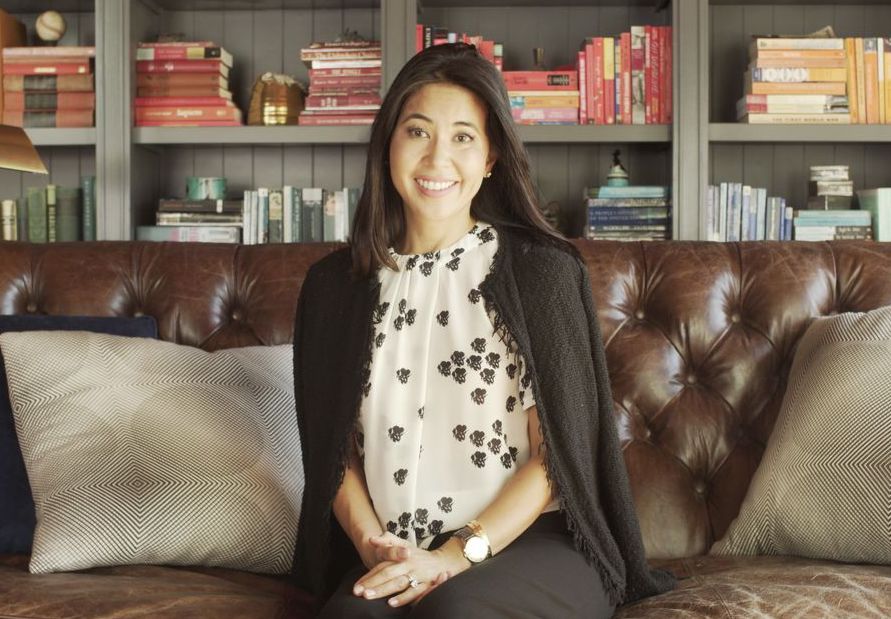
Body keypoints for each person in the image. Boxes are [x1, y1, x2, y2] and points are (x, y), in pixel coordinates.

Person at [291, 43, 675, 618]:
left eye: (463, 137)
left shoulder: (542, 272)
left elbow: (556, 460)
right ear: (389, 144)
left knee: (457, 614)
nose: (437, 158)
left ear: (491, 157)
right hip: (395, 544)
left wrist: (455, 554)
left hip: (528, 541)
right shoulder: (334, 288)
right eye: (417, 132)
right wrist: (374, 545)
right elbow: (334, 458)